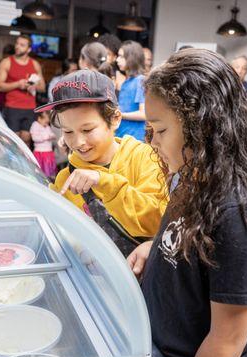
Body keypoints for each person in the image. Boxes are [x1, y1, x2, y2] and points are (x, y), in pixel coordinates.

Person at [128, 49, 247, 357]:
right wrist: (153, 247)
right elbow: (185, 233)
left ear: (203, 125)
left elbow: (227, 340)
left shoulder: (239, 213)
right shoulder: (190, 172)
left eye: (160, 130)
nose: (151, 142)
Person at [35, 70, 167, 256]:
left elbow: (156, 222)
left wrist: (104, 182)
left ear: (115, 119)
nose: (78, 142)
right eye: (68, 132)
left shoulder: (144, 158)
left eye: (87, 130)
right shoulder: (66, 178)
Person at [0, 35, 45, 148]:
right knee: (12, 142)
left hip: (30, 108)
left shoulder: (35, 64)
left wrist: (34, 86)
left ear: (29, 49)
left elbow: (42, 87)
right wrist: (18, 84)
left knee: (26, 141)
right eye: (17, 43)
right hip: (12, 107)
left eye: (22, 45)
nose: (17, 47)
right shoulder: (6, 62)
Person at [116, 40, 146, 141]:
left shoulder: (140, 80)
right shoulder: (126, 81)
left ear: (131, 58)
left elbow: (144, 114)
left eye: (121, 56)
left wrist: (120, 114)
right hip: (122, 136)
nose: (117, 60)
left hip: (135, 139)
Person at [30, 111, 57, 179]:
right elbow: (35, 138)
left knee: (49, 168)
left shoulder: (47, 126)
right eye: (45, 122)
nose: (46, 124)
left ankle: (49, 178)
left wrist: (52, 136)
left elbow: (51, 134)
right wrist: (46, 137)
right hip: (40, 152)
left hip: (48, 151)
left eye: (47, 122)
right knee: (41, 169)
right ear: (39, 119)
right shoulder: (35, 125)